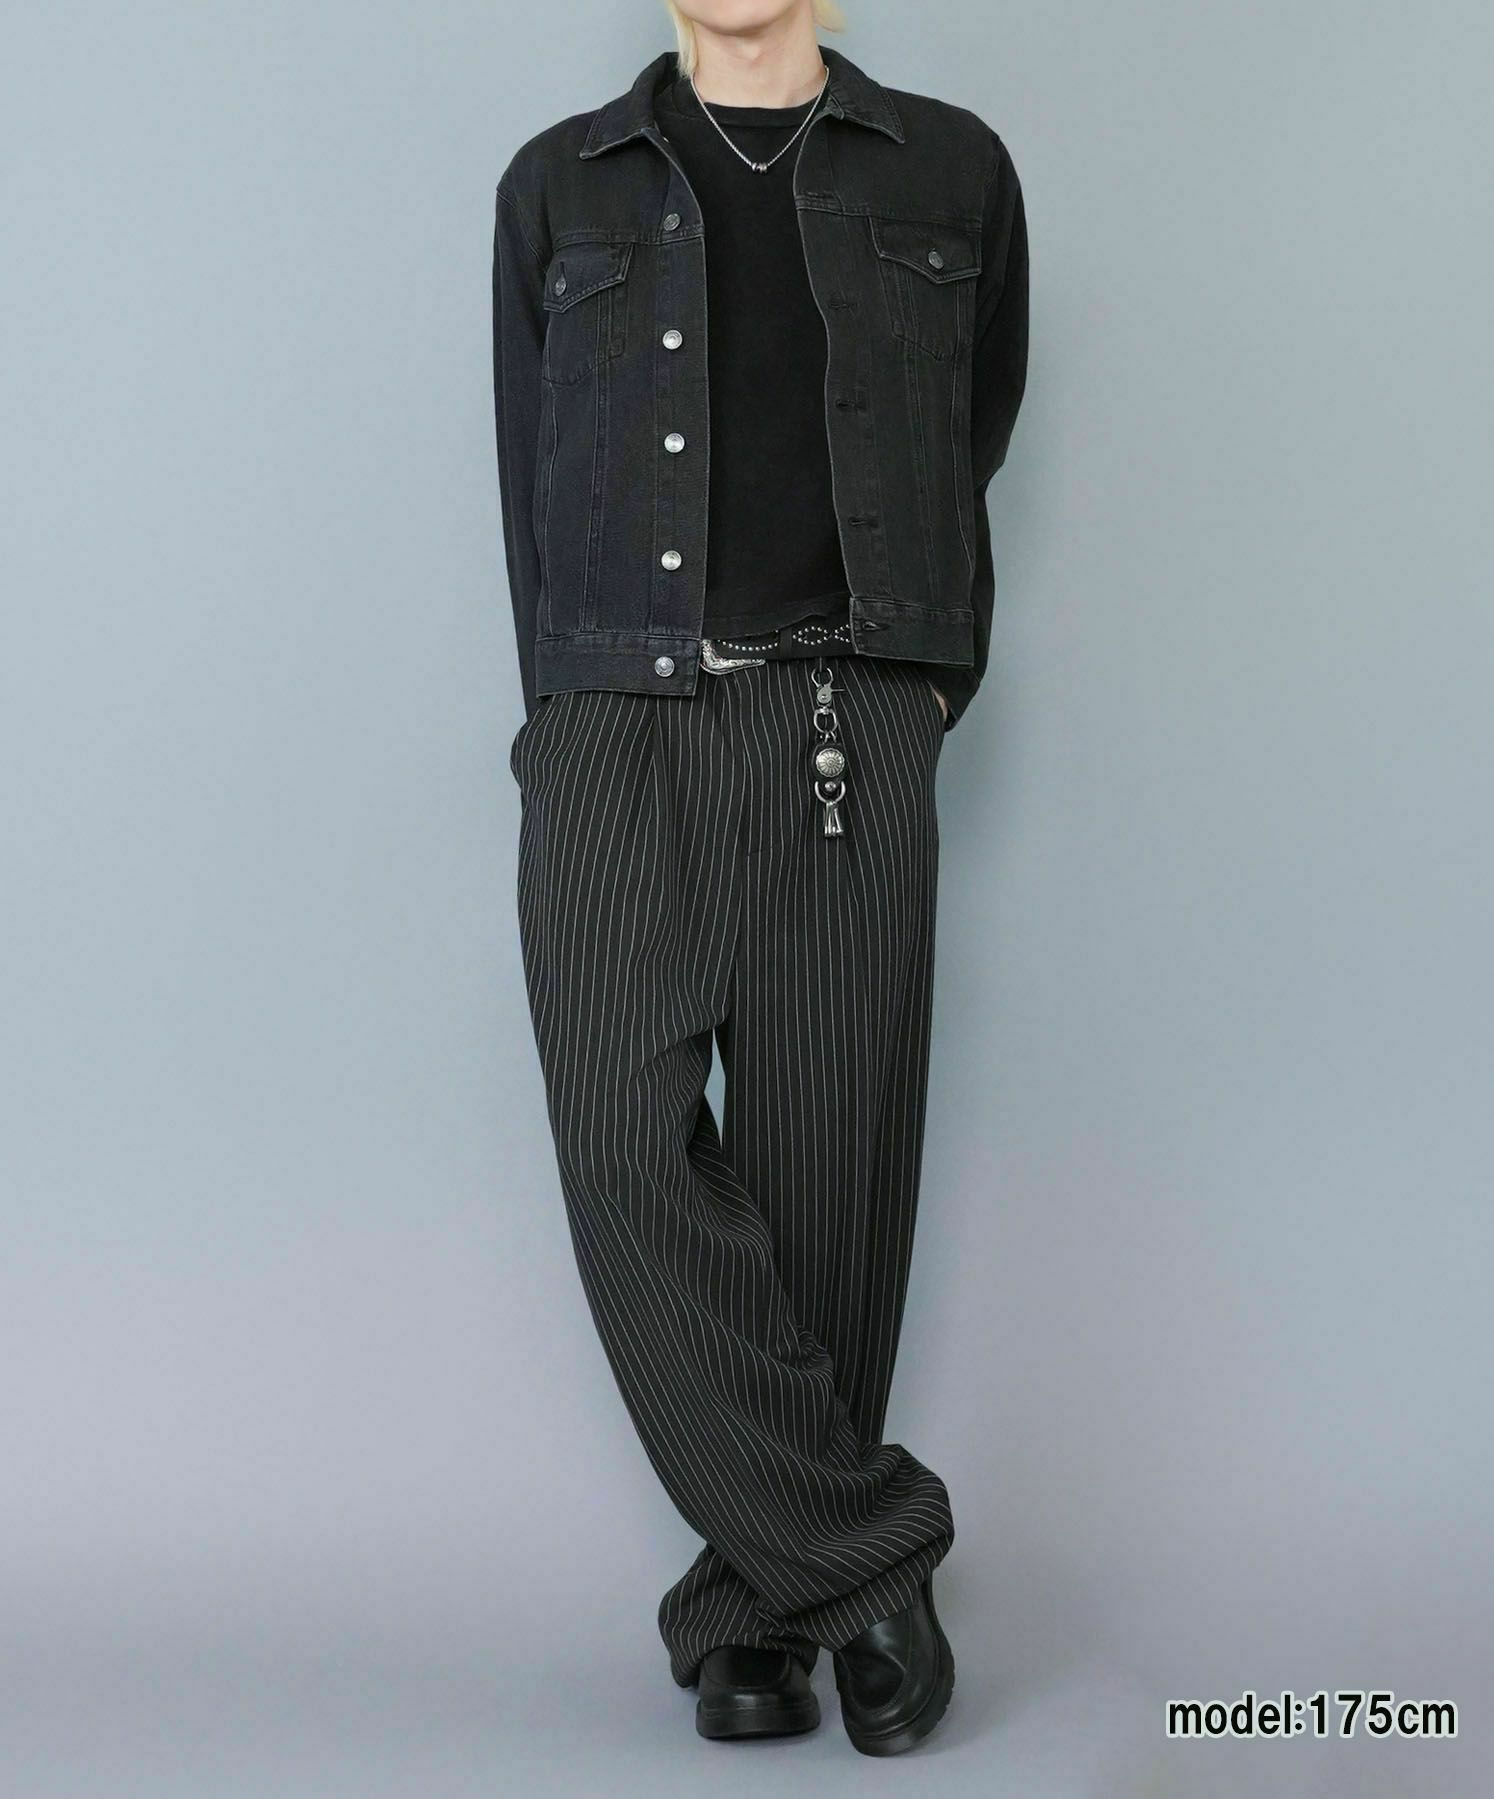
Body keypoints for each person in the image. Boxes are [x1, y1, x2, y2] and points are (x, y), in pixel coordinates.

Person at [491, 0, 1027, 1755]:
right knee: (625, 1147)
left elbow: (972, 428)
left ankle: (752, 1610)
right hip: (616, 719)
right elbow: (529, 479)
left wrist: (917, 690)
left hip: (844, 713)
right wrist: (565, 713)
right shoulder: (557, 186)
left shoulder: (952, 169)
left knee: (827, 1174)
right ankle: (866, 1567)